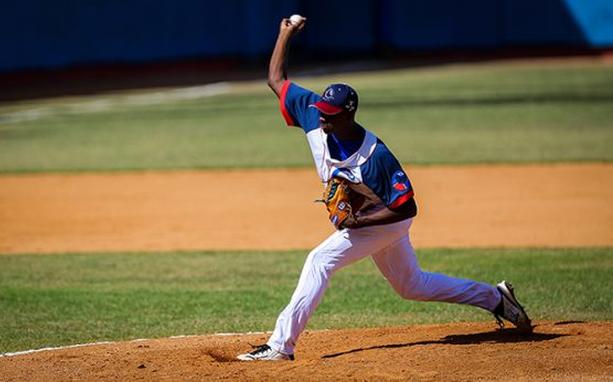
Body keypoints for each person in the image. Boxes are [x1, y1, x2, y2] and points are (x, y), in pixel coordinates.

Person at [237, 17, 532, 362]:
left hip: (385, 221)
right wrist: (285, 34)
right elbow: (277, 79)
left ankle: (280, 346)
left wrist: (358, 224)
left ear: (348, 116)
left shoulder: (376, 158)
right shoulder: (315, 115)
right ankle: (496, 298)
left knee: (319, 261)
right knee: (412, 286)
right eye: (321, 112)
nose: (321, 119)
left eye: (329, 115)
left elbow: (407, 207)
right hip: (370, 221)